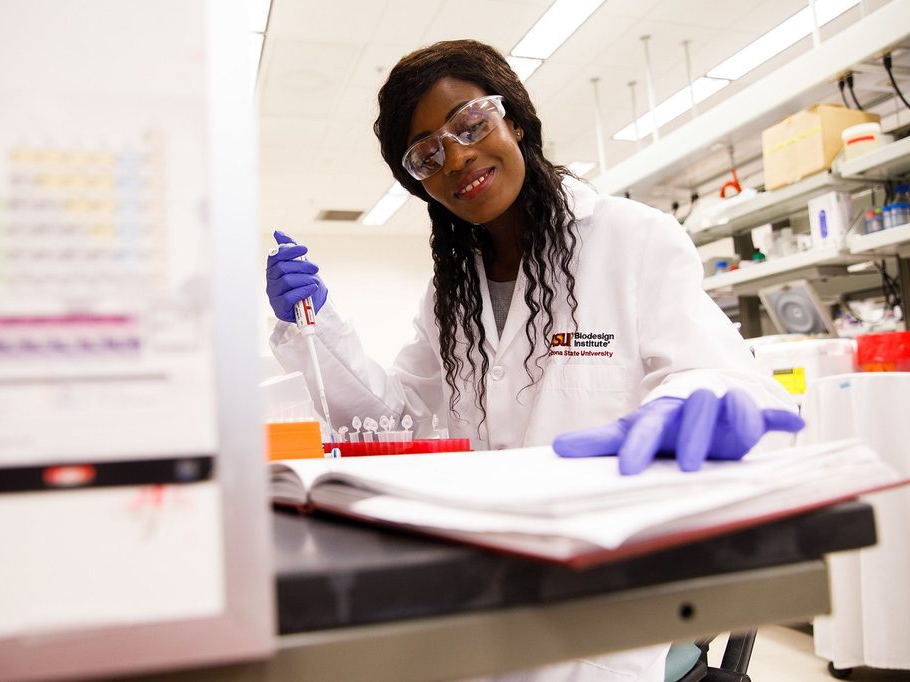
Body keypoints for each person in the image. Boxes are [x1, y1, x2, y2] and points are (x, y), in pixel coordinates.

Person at [265, 40, 802, 680]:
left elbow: (713, 374)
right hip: (486, 576)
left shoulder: (630, 239)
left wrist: (689, 407)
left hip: (610, 586)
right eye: (427, 154)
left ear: (513, 119)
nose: (458, 156)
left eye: (470, 124)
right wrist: (317, 327)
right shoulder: (451, 291)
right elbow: (402, 419)